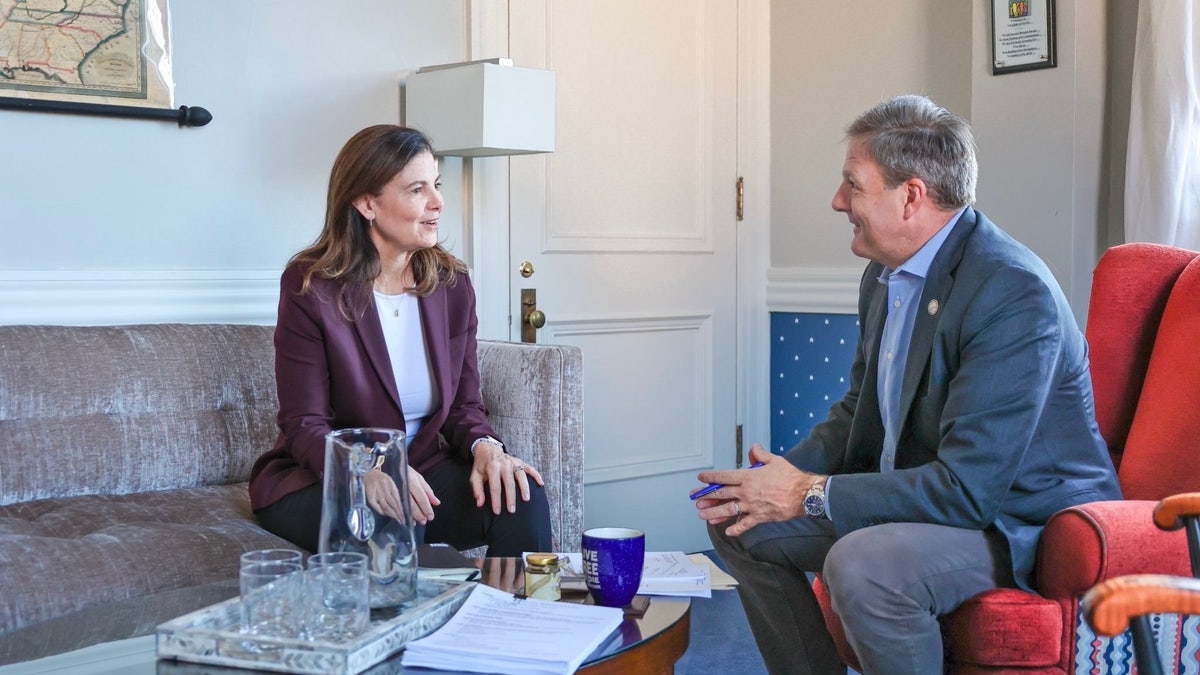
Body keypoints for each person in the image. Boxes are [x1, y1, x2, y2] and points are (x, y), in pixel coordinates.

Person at [693, 95, 1121, 674]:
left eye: (852, 184)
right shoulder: (885, 273)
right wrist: (772, 482)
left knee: (860, 564)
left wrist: (809, 492)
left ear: (911, 196)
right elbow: (855, 412)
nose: (838, 201)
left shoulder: (1013, 292)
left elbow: (969, 492)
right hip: (927, 500)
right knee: (740, 525)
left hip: (1018, 524)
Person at [250, 124, 552, 557]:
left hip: (422, 468)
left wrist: (486, 447)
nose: (437, 202)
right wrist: (373, 467)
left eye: (437, 184)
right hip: (325, 478)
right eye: (417, 189)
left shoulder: (451, 284)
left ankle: (520, 620)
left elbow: (465, 406)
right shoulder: (312, 286)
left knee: (521, 496)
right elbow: (304, 424)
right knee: (390, 515)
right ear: (367, 202)